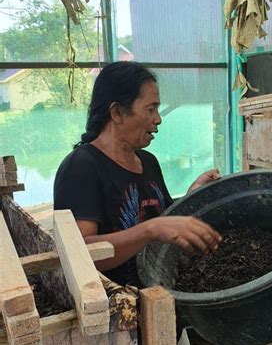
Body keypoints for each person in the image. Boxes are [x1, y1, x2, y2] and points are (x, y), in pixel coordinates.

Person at [54, 61, 222, 288]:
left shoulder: (147, 161)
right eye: (150, 109)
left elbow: (163, 221)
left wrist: (192, 196)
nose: (158, 119)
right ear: (117, 112)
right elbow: (81, 253)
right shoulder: (81, 167)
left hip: (160, 295)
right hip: (118, 310)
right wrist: (150, 230)